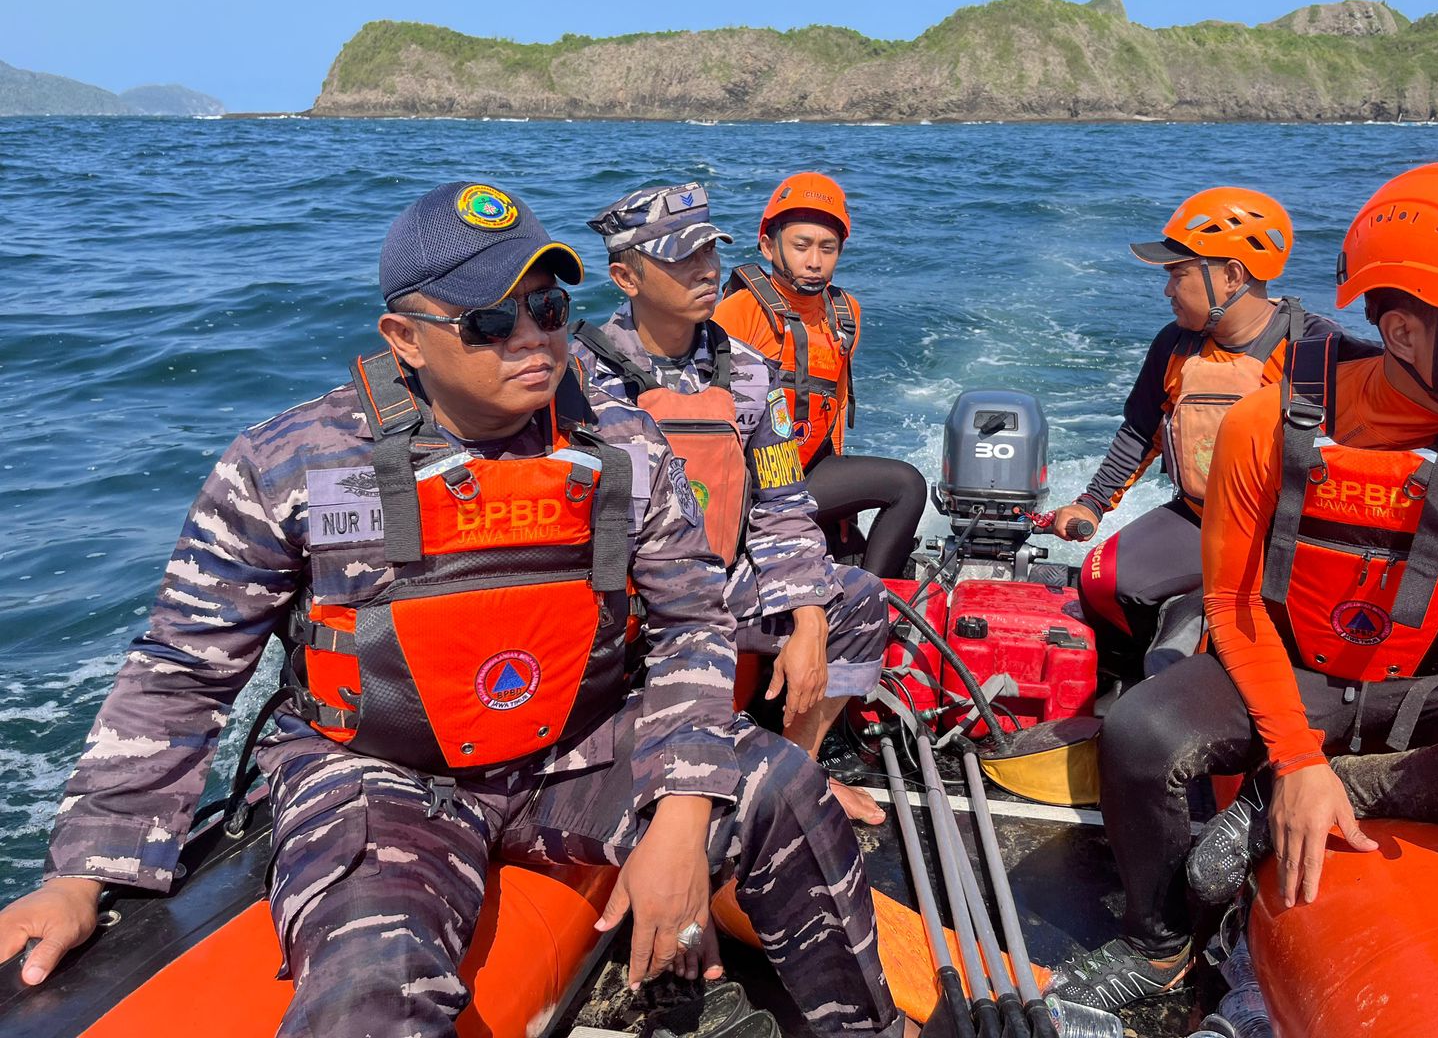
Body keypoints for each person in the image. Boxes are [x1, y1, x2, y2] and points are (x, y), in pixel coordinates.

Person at [0, 181, 902, 1038]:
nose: (533, 341)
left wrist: (680, 811)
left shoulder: (623, 448)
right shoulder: (291, 463)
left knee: (784, 786)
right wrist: (86, 870)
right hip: (383, 773)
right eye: (490, 322)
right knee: (372, 985)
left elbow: (690, 620)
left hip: (578, 747)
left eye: (549, 310)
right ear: (405, 336)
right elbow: (184, 666)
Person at [1050, 160, 1438, 1012]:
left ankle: (1359, 782)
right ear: (1408, 333)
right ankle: (1158, 948)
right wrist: (1298, 755)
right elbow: (1232, 606)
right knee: (1141, 730)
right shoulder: (1266, 425)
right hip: (1301, 672)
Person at [571, 181, 890, 824]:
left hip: (721, 585)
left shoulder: (746, 370)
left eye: (710, 252)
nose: (708, 269)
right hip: (613, 600)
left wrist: (807, 613)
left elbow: (780, 499)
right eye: (681, 257)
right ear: (625, 277)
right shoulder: (574, 374)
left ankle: (803, 772)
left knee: (857, 599)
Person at [1051, 187, 1369, 677]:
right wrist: (1091, 502)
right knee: (1100, 581)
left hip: (1285, 536)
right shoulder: (1176, 343)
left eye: (1178, 274)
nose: (1167, 289)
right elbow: (1140, 430)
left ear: (1232, 275)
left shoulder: (1321, 351)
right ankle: (1130, 684)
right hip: (1200, 516)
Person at [714, 172, 927, 580]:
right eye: (801, 246)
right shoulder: (738, 312)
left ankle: (874, 592)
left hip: (809, 472)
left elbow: (834, 410)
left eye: (828, 248)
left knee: (908, 485)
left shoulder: (846, 314)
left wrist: (839, 524)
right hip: (752, 487)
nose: (814, 261)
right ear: (767, 246)